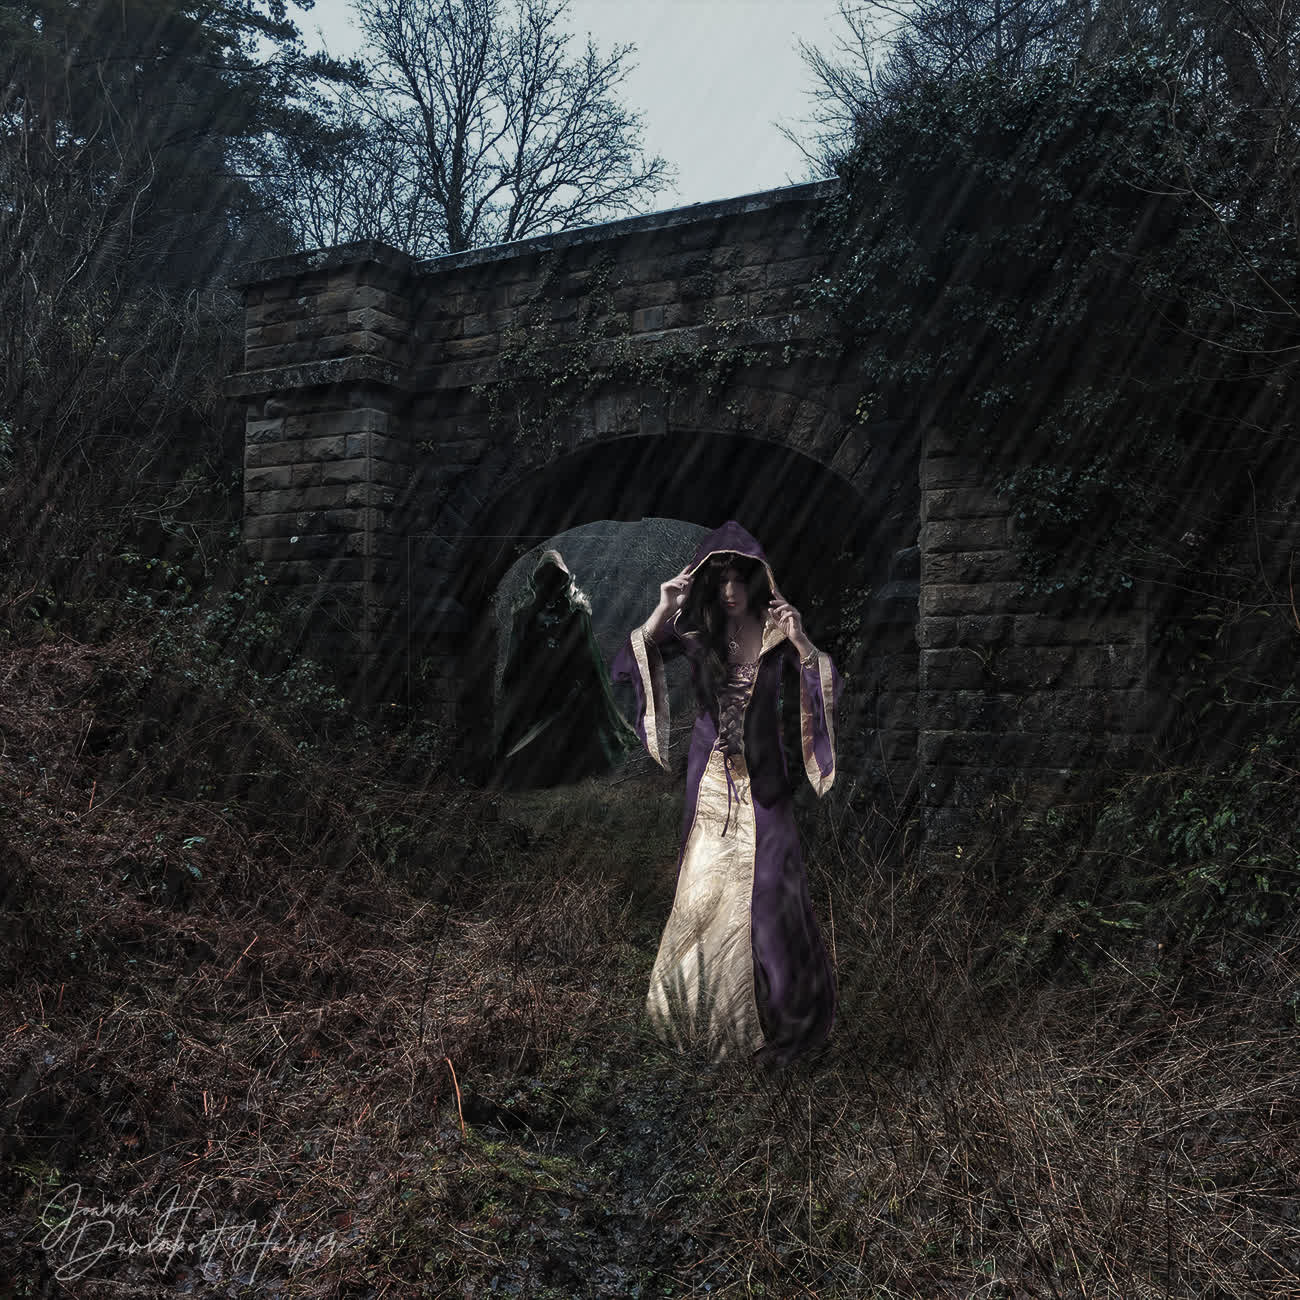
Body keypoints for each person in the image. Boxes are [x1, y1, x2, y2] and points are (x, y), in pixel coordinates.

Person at [610, 521, 839, 1065]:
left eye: (739, 580)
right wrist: (663, 609)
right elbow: (626, 667)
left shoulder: (779, 634)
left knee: (773, 890)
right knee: (704, 890)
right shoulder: (698, 633)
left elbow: (826, 682)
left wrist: (802, 639)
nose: (731, 591)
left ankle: (782, 1016)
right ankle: (703, 1017)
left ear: (757, 581)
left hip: (765, 782)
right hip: (712, 782)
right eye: (721, 581)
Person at [494, 549, 639, 789]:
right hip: (538, 688)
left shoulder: (576, 614)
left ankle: (570, 769)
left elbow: (588, 655)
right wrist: (515, 686)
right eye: (546, 578)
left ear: (563, 581)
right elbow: (517, 655)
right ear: (538, 580)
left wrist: (585, 683)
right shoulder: (525, 615)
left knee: (576, 725)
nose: (550, 585)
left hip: (569, 685)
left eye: (555, 578)